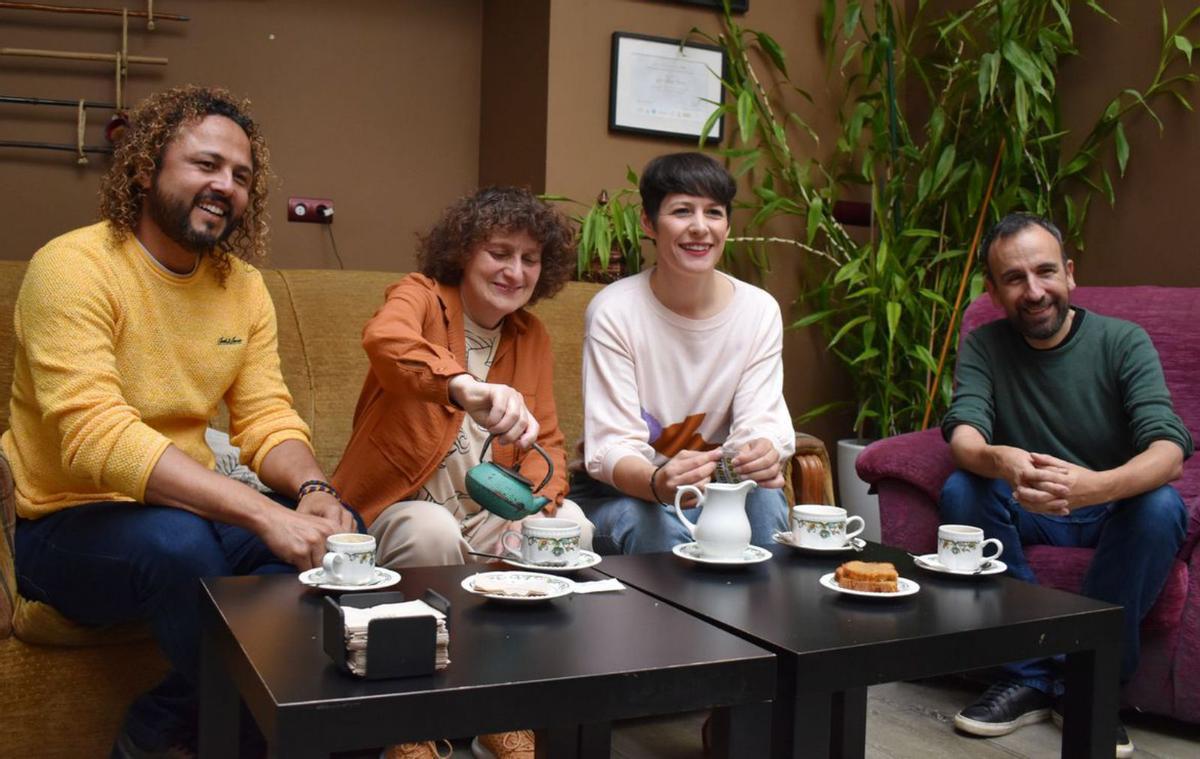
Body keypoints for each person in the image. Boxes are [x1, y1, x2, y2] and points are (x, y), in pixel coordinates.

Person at [4, 86, 356, 759]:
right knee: (177, 544)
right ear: (145, 169)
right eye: (206, 165)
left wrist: (315, 493)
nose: (226, 185)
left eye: (242, 175)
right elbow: (95, 437)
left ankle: (163, 721)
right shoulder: (71, 268)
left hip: (189, 509)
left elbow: (266, 417)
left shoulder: (243, 287)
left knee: (342, 544)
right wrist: (260, 513)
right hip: (64, 522)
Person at [331, 186, 592, 759]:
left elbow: (544, 440)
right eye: (499, 252)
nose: (514, 270)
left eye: (529, 259)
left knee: (570, 524)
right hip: (396, 509)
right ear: (464, 252)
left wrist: (538, 510)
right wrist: (462, 386)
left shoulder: (532, 336)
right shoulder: (422, 296)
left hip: (485, 515)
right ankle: (411, 722)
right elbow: (386, 339)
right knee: (432, 530)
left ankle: (503, 708)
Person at [939, 213, 1191, 757]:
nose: (1034, 291)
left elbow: (1168, 453)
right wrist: (996, 457)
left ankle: (1089, 682)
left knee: (1161, 506)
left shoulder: (1123, 341)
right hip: (1028, 503)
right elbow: (964, 433)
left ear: (1070, 274)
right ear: (993, 290)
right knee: (963, 489)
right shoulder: (985, 345)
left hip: (1110, 508)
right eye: (1014, 278)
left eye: (1046, 271)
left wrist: (1095, 487)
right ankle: (1030, 674)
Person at [571, 152, 794, 555]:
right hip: (624, 496)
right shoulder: (615, 311)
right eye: (681, 211)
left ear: (727, 224)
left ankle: (759, 618)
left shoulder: (759, 310)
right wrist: (658, 484)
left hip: (718, 487)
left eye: (714, 212)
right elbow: (611, 447)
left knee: (762, 502)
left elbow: (760, 421)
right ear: (648, 222)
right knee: (652, 521)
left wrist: (761, 451)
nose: (699, 228)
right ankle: (670, 621)